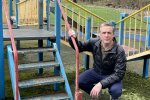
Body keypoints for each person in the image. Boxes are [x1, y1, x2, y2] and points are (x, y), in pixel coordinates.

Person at [68, 22, 126, 100]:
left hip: (111, 74)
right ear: (100, 34)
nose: (106, 35)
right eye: (104, 33)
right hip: (96, 71)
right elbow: (79, 47)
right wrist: (73, 38)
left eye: (109, 33)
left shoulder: (119, 50)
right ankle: (96, 94)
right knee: (79, 82)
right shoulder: (94, 42)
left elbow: (119, 74)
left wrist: (100, 84)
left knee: (116, 91)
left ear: (113, 34)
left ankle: (113, 97)